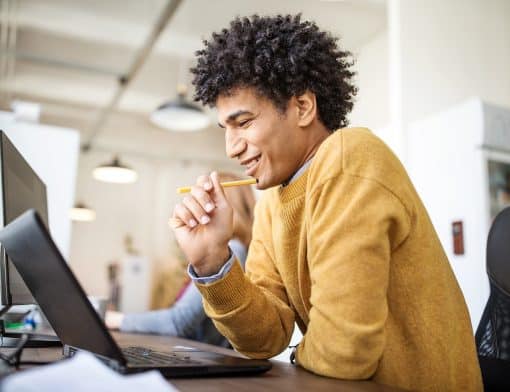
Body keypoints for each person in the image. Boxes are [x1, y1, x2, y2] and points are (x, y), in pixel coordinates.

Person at [169, 14, 483, 391]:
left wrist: (298, 356)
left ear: (302, 106)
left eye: (244, 122)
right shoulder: (272, 198)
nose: (231, 147)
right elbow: (264, 340)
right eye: (226, 128)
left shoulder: (349, 157)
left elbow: (344, 353)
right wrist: (212, 260)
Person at [105, 172, 255, 347]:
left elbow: (179, 322)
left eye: (206, 197)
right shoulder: (227, 248)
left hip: (203, 360)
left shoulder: (232, 249)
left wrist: (115, 319)